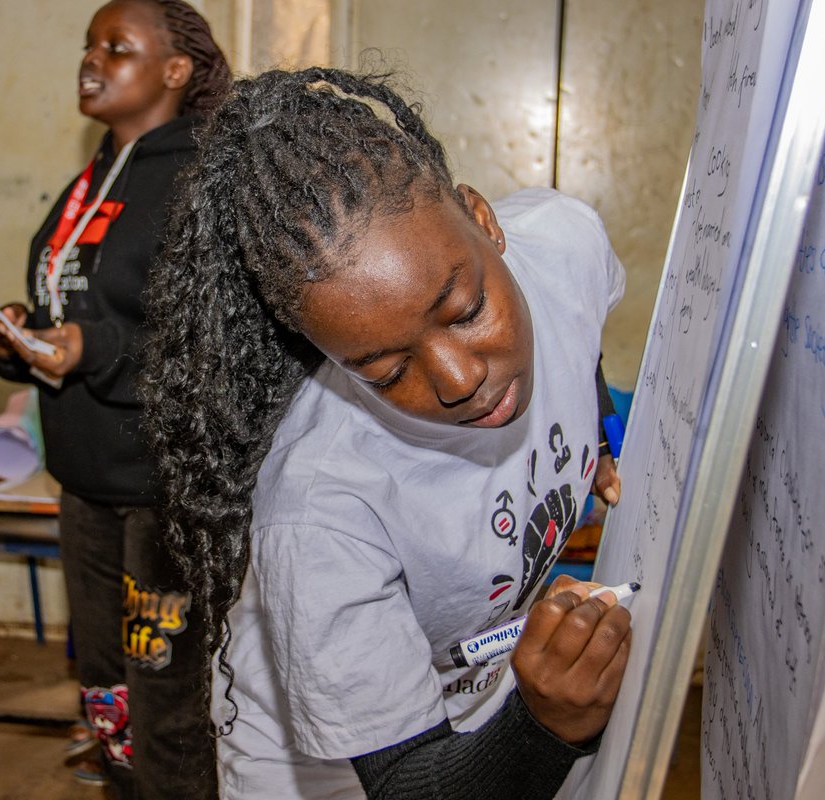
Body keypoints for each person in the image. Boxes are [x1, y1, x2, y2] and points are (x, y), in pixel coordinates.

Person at [139, 67, 633, 799]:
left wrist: (598, 433)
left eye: (465, 310)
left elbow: (581, 325)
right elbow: (411, 785)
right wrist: (548, 722)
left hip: (488, 686)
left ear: (483, 220)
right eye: (384, 368)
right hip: (334, 768)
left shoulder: (564, 241)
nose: (458, 378)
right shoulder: (321, 511)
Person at [0, 1, 230, 795]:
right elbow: (74, 317)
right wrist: (22, 342)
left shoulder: (199, 181)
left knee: (169, 712)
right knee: (109, 693)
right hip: (86, 483)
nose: (92, 58)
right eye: (89, 45)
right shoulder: (89, 182)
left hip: (165, 493)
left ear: (175, 69)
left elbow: (214, 345)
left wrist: (98, 348)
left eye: (116, 47)